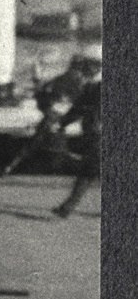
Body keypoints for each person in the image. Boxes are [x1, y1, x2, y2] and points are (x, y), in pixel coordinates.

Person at [52, 46, 100, 218]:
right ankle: (67, 207)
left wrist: (62, 123)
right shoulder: (92, 86)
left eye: (86, 66)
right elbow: (78, 109)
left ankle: (67, 207)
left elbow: (79, 109)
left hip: (99, 135)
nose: (83, 70)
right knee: (89, 172)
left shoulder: (98, 86)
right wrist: (62, 124)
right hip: (94, 135)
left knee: (88, 172)